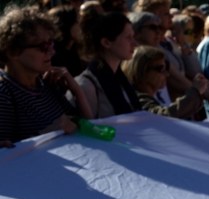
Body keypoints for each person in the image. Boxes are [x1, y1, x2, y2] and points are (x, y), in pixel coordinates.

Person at [0, 6, 91, 146]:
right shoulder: (4, 93)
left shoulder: (44, 83)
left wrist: (77, 91)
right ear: (13, 51)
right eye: (42, 46)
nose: (51, 52)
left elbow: (86, 126)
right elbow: (5, 153)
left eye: (51, 43)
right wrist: (52, 132)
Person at [75, 10, 141, 119]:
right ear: (106, 42)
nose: (135, 43)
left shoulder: (121, 79)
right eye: (128, 38)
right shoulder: (86, 86)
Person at [122, 45, 209, 120]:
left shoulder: (145, 97)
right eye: (161, 69)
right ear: (142, 70)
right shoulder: (135, 99)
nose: (167, 74)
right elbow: (163, 117)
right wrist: (195, 91)